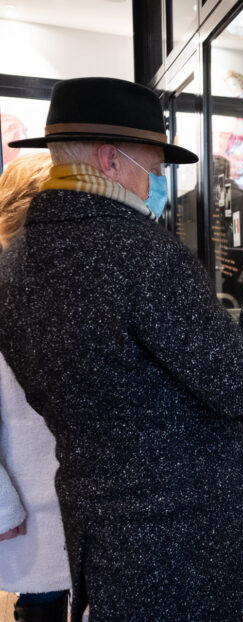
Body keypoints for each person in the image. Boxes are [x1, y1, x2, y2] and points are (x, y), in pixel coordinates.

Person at [0, 77, 243, 621]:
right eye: (154, 168)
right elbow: (242, 386)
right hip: (185, 544)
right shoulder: (143, 252)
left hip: (100, 535)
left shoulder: (14, 263)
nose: (155, 183)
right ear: (111, 160)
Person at [0, 152, 71, 622]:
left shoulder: (64, 283)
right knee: (42, 603)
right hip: (30, 506)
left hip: (80, 500)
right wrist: (3, 509)